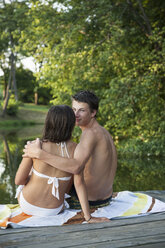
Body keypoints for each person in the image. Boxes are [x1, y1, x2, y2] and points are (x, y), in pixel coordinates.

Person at [23, 90, 117, 209]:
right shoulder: (103, 131)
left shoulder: (89, 134)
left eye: (82, 110)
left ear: (93, 113)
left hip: (89, 201)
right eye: (74, 109)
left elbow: (76, 167)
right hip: (106, 198)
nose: (75, 115)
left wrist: (39, 154)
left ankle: (33, 203)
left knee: (37, 167)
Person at [15, 104, 109, 223]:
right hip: (54, 210)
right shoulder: (76, 149)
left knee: (32, 170)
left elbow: (18, 181)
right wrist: (88, 217)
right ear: (71, 125)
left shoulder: (36, 146)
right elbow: (79, 184)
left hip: (28, 204)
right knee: (66, 176)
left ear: (48, 123)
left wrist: (34, 176)